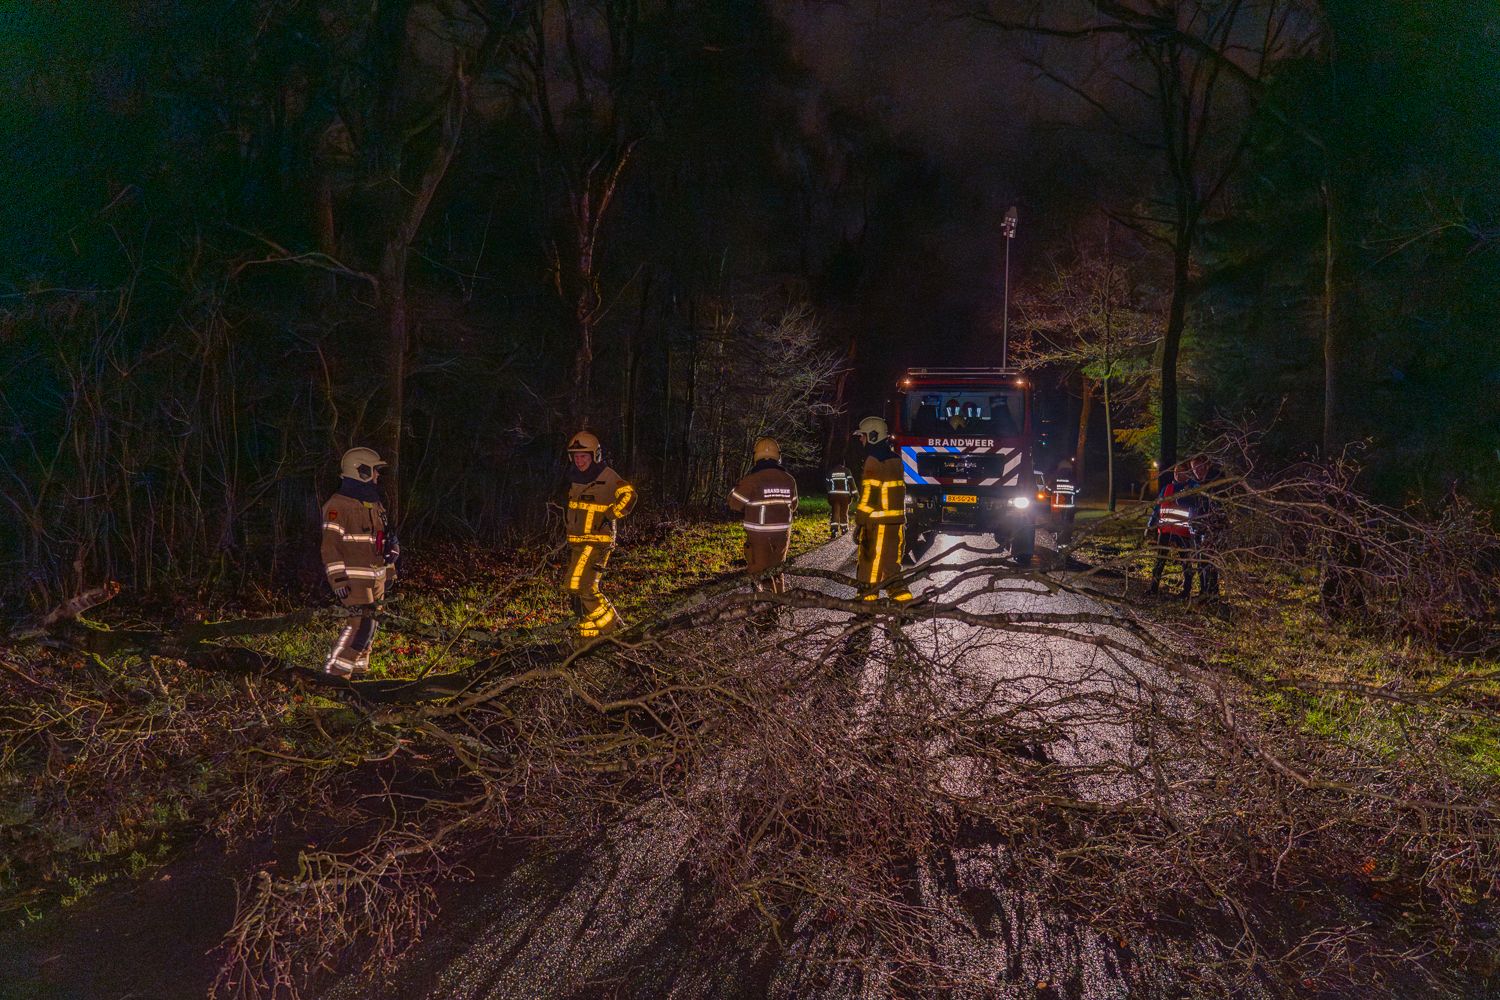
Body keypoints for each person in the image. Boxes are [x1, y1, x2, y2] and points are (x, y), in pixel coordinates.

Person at [320, 447, 398, 677]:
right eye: (375, 471)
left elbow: (383, 541)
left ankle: (360, 675)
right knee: (359, 626)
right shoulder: (338, 506)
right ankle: (334, 679)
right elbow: (329, 546)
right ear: (360, 471)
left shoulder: (374, 504)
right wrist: (338, 580)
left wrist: (391, 569)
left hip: (376, 577)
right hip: (354, 580)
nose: (378, 475)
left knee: (372, 625)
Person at [562, 430, 637, 645]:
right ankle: (588, 639)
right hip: (578, 544)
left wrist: (611, 514)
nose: (579, 460)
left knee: (581, 588)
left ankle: (615, 631)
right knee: (577, 591)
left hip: (597, 542)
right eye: (576, 456)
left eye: (584, 456)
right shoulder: (573, 479)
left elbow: (630, 495)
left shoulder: (607, 475)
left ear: (594, 455)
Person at [729, 437, 799, 612]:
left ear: (756, 456)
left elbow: (734, 503)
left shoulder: (752, 479)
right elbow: (794, 504)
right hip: (783, 534)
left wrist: (734, 490)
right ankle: (779, 604)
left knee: (759, 571)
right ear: (778, 456)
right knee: (777, 569)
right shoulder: (789, 479)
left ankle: (765, 614)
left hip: (759, 535)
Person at [853, 416, 913, 601]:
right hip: (896, 526)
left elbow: (869, 497)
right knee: (891, 569)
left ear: (872, 436)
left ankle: (865, 610)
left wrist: (859, 522)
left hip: (876, 525)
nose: (861, 440)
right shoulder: (896, 460)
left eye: (862, 436)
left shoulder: (873, 461)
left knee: (868, 569)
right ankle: (905, 608)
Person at [1146, 462, 1199, 597]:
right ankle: (1153, 588)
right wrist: (1150, 524)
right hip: (1165, 530)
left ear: (1187, 473)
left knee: (1185, 562)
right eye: (1176, 471)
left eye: (1180, 472)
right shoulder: (1167, 488)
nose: (1177, 474)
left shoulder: (1193, 487)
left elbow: (1196, 504)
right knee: (1160, 560)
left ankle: (1186, 590)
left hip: (1182, 531)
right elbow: (1157, 508)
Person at [1188, 453, 1224, 598]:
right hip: (1197, 528)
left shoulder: (1214, 483)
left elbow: (1215, 508)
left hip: (1210, 529)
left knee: (1209, 562)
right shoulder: (1197, 485)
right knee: (1201, 562)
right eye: (1194, 468)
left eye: (1199, 466)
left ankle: (1212, 594)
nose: (1197, 470)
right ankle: (1204, 591)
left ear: (1206, 465)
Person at [826, 462, 856, 537]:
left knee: (835, 512)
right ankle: (844, 528)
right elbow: (851, 483)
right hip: (844, 496)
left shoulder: (831, 471)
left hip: (834, 496)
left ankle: (834, 530)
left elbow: (827, 483)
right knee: (844, 512)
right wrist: (855, 495)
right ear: (843, 463)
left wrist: (829, 493)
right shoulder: (847, 471)